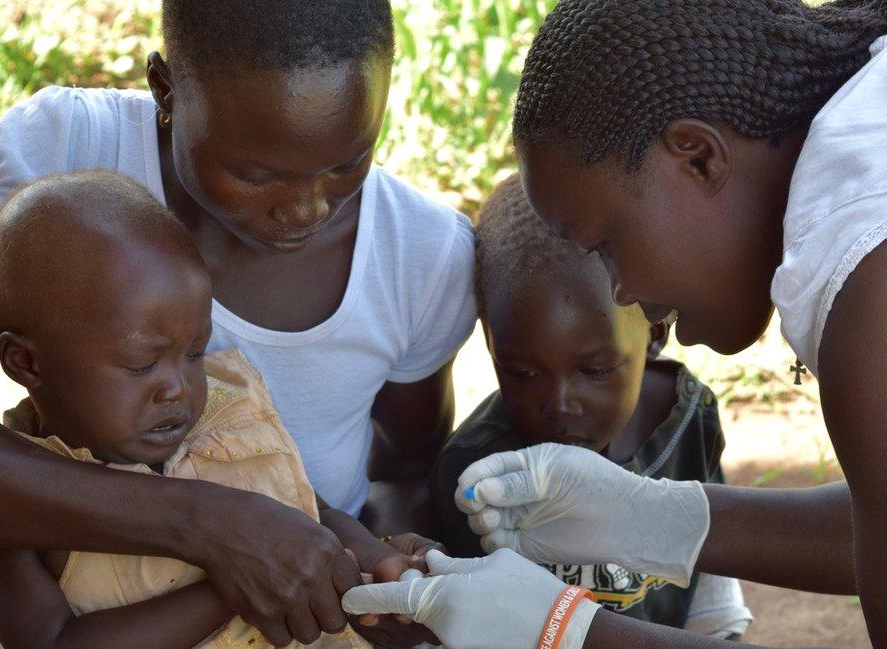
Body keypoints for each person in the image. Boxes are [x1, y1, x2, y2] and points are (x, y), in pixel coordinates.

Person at [0, 2, 474, 646]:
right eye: (254, 173)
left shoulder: (424, 255)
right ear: (166, 88)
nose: (304, 208)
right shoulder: (64, 159)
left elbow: (400, 474)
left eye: (349, 162)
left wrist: (380, 565)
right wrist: (212, 531)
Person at [343, 0, 887, 646]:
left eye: (604, 243)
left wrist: (565, 631)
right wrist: (657, 518)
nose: (623, 289)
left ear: (698, 157)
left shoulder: (865, 270)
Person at [0, 170, 441, 649]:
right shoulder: (11, 496)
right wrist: (236, 578)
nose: (179, 387)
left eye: (194, 351)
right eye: (141, 363)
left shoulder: (228, 414)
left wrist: (369, 555)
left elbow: (311, 512)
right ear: (26, 363)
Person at [429, 174, 751, 637]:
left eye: (595, 371)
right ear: (490, 343)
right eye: (524, 373)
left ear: (655, 333)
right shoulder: (479, 476)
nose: (560, 405)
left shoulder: (688, 419)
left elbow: (713, 584)